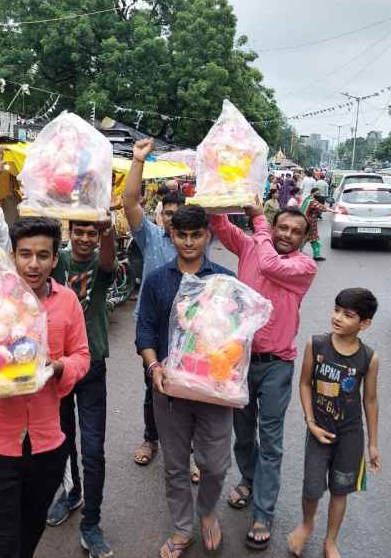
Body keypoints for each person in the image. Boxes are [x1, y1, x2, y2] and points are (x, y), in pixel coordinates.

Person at [0, 153, 116, 558]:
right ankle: (69, 493)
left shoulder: (94, 267)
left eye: (43, 256)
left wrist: (106, 226)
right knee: (61, 442)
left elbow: (107, 256)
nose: (35, 262)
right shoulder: (42, 265)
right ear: (70, 235)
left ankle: (91, 523)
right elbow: (0, 238)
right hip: (42, 376)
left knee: (92, 447)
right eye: (82, 230)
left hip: (86, 367)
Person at [0, 215, 90, 558]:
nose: (33, 264)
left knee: (29, 526)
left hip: (46, 442)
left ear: (55, 258)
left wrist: (58, 367)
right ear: (13, 256)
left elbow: (82, 355)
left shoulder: (67, 302)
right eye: (25, 254)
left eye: (42, 255)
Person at [211, 205, 317, 551]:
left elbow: (270, 264)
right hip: (239, 360)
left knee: (270, 440)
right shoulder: (251, 246)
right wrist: (224, 196)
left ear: (305, 238)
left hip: (277, 365)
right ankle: (248, 478)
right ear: (274, 227)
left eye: (294, 231)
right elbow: (220, 226)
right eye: (281, 227)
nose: (286, 234)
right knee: (242, 432)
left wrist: (258, 219)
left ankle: (263, 512)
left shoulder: (303, 266)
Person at [137, 205, 235, 557]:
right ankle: (182, 529)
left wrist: (230, 372)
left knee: (215, 463)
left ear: (208, 235)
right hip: (171, 389)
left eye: (196, 235)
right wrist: (154, 367)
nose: (189, 242)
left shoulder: (225, 282)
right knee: (177, 465)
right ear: (172, 235)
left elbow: (237, 336)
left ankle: (207, 512)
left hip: (214, 391)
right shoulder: (158, 280)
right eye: (182, 235)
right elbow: (145, 329)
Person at [124, 138, 199, 480]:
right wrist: (138, 161)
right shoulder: (151, 237)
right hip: (153, 329)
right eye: (167, 213)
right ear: (160, 214)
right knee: (152, 386)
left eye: (178, 214)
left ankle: (191, 453)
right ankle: (150, 439)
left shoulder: (194, 243)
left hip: (189, 331)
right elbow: (128, 202)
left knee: (193, 392)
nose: (172, 220)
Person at [287, 288, 381, 558]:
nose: (338, 317)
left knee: (341, 490)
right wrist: (310, 422)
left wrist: (373, 444)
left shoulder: (369, 358)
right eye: (336, 310)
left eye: (348, 314)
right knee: (312, 487)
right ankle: (306, 525)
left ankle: (330, 541)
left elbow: (371, 401)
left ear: (364, 324)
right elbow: (305, 383)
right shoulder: (316, 344)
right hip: (318, 433)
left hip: (350, 437)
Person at [302, 188, 333, 262]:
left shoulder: (308, 199)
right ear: (312, 193)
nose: (318, 195)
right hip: (308, 223)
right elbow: (320, 207)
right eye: (317, 193)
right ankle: (296, 253)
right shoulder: (311, 201)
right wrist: (332, 210)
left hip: (308, 223)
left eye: (319, 193)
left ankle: (317, 255)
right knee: (304, 239)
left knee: (313, 240)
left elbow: (320, 205)